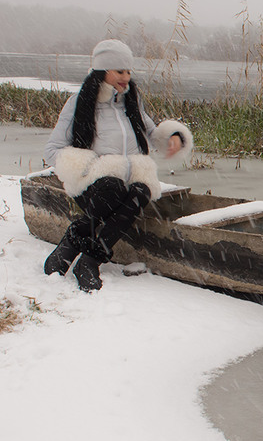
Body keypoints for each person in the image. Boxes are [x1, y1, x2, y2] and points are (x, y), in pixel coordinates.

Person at [42, 38, 192, 291]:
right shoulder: (79, 103)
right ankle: (72, 242)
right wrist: (95, 168)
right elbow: (52, 150)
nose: (126, 77)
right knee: (111, 185)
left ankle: (89, 259)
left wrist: (174, 137)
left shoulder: (130, 102)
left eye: (129, 71)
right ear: (103, 71)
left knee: (141, 191)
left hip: (127, 182)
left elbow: (152, 134)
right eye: (120, 71)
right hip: (93, 187)